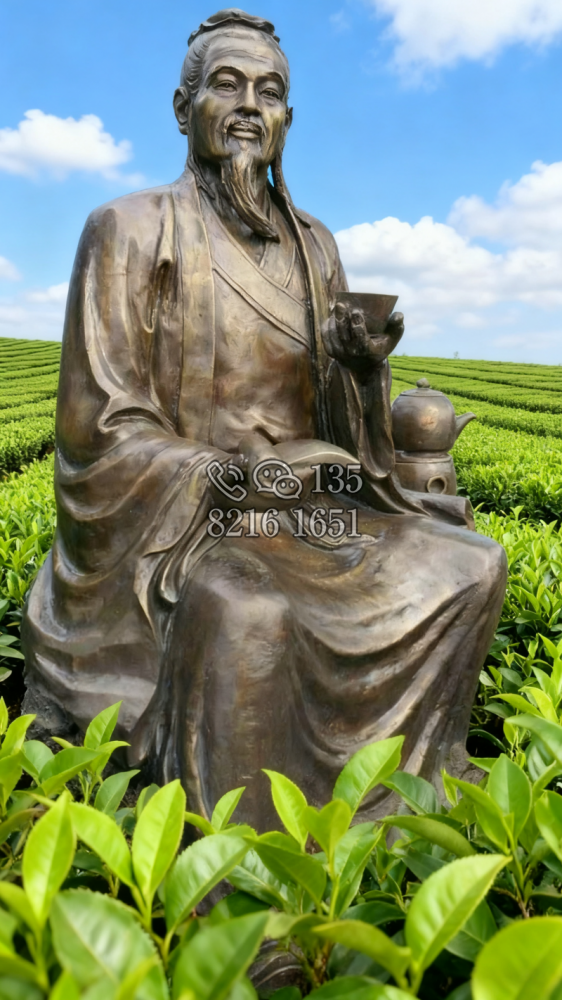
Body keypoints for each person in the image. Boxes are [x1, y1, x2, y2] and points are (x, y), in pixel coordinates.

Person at [22, 9, 507, 830]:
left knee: (472, 564)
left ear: (288, 117)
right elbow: (95, 429)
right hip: (193, 522)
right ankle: (239, 857)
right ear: (185, 109)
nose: (250, 106)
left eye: (270, 92)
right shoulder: (128, 229)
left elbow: (344, 437)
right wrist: (230, 475)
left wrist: (360, 370)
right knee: (250, 615)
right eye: (228, 85)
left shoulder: (316, 247)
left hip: (309, 513)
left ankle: (406, 789)